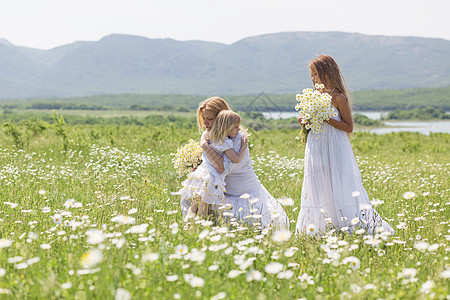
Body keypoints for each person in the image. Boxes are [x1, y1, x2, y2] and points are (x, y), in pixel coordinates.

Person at [295, 55, 394, 235]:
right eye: (311, 75)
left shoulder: (338, 97)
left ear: (327, 73)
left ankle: (347, 224)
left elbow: (348, 126)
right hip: (317, 145)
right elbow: (307, 120)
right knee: (319, 181)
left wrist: (327, 119)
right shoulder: (313, 97)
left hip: (335, 145)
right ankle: (322, 226)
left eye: (316, 73)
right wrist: (305, 120)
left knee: (338, 182)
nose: (313, 78)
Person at [176, 96, 288, 229]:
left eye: (210, 119)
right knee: (196, 199)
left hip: (241, 193)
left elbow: (222, 167)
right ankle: (194, 228)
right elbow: (209, 165)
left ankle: (197, 227)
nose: (205, 123)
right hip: (220, 189)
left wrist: (204, 146)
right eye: (204, 118)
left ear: (222, 119)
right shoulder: (210, 134)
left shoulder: (237, 139)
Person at [178, 110, 248, 218]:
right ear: (226, 127)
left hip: (201, 173)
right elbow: (236, 159)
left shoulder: (208, 135)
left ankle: (188, 226)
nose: (238, 130)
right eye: (236, 127)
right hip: (211, 177)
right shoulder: (225, 142)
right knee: (204, 207)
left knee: (194, 205)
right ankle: (200, 228)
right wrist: (244, 147)